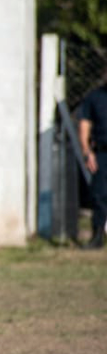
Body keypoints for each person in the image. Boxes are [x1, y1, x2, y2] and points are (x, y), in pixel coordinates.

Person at [78, 75, 107, 250]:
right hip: (102, 153)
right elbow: (84, 126)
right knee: (100, 195)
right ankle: (97, 237)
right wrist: (87, 152)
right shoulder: (94, 97)